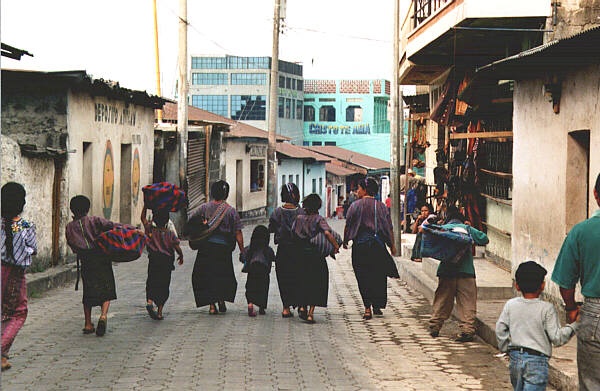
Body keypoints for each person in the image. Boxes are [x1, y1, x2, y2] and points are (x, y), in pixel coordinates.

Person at [551, 173, 600, 391]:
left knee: (591, 383)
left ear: (596, 194)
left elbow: (566, 283)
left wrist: (571, 308)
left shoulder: (581, 231)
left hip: (594, 314)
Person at [496, 261, 578, 391]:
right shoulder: (547, 309)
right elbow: (557, 338)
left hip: (515, 359)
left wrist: (507, 348)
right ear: (543, 285)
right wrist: (575, 326)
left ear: (517, 286)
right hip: (537, 361)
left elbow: (500, 329)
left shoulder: (511, 305)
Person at [428, 205, 489, 342]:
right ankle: (467, 330)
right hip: (466, 272)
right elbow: (484, 239)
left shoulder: (443, 229)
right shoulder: (466, 229)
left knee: (442, 300)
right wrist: (470, 227)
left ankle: (435, 326)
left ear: (447, 218)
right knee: (467, 302)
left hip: (446, 272)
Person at [344, 177, 398, 320]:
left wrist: (345, 241)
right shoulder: (381, 206)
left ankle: (367, 308)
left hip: (360, 246)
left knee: (363, 276)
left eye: (359, 189)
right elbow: (388, 227)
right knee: (378, 275)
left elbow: (348, 225)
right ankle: (377, 305)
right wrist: (392, 245)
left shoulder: (355, 206)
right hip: (377, 246)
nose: (357, 192)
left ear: (365, 190)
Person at [65, 195, 118, 337]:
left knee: (88, 291)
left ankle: (88, 324)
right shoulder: (95, 220)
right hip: (102, 258)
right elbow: (113, 226)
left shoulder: (70, 227)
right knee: (106, 287)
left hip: (86, 261)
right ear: (87, 209)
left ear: (72, 210)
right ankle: (103, 316)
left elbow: (72, 245)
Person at [189, 180, 244, 315]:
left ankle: (212, 306)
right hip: (223, 250)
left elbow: (191, 220)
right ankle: (221, 300)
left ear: (213, 192)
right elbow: (238, 233)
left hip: (206, 248)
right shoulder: (231, 211)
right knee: (222, 275)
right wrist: (242, 251)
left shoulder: (204, 208)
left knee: (206, 276)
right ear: (226, 194)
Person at [1, 182, 37, 371]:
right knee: (18, 313)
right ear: (21, 203)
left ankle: (3, 357)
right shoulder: (25, 225)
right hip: (14, 274)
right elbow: (32, 250)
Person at [292, 194, 339, 324]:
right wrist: (336, 246)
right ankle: (311, 314)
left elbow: (293, 234)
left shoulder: (299, 218)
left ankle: (302, 306)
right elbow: (327, 233)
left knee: (302, 280)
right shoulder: (319, 219)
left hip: (301, 254)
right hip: (316, 255)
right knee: (316, 282)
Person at [268, 183, 305, 317]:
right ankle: (301, 305)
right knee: (300, 277)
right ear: (295, 195)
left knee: (284, 278)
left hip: (283, 250)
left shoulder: (277, 212)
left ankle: (286, 308)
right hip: (299, 250)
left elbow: (271, 228)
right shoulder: (302, 212)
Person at [141, 207, 184, 320]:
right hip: (166, 262)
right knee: (164, 285)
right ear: (167, 221)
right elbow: (176, 246)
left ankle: (150, 302)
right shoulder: (169, 233)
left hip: (154, 260)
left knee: (151, 281)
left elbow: (143, 219)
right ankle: (159, 312)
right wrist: (181, 255)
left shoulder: (150, 229)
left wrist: (145, 206)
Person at [240, 225, 275, 317]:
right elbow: (273, 258)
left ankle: (250, 304)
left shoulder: (249, 248)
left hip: (252, 269)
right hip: (264, 270)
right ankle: (261, 307)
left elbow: (242, 257)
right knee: (263, 288)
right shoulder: (268, 249)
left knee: (251, 286)